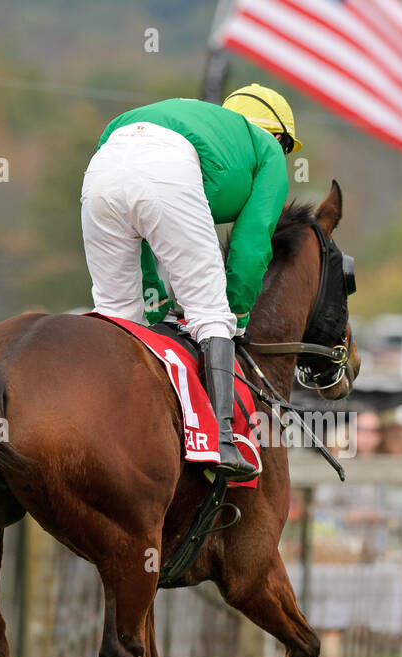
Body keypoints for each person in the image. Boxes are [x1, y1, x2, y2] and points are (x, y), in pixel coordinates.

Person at [81, 85, 299, 481]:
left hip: (103, 161)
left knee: (116, 314)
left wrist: (153, 302)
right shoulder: (267, 151)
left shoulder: (203, 125)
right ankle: (222, 440)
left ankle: (96, 426)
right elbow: (251, 246)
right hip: (166, 170)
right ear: (280, 138)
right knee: (211, 313)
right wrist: (237, 311)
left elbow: (141, 230)